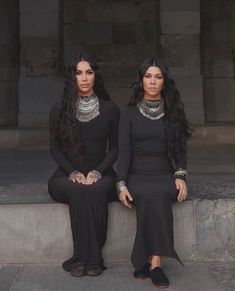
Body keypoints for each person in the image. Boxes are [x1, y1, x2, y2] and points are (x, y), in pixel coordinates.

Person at [116, 57, 192, 288]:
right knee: (147, 193)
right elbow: (124, 151)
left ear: (164, 82)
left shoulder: (174, 112)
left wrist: (180, 176)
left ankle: (154, 263)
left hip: (164, 173)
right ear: (141, 81)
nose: (152, 81)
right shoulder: (128, 114)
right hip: (137, 174)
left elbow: (180, 150)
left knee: (158, 193)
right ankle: (144, 259)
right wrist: (121, 184)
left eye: (158, 77)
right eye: (148, 76)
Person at [48, 54, 120, 277]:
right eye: (79, 73)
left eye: (89, 72)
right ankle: (89, 258)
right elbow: (55, 149)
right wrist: (74, 172)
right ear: (72, 78)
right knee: (80, 190)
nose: (84, 78)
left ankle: (86, 259)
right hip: (66, 174)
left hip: (103, 173)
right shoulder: (59, 109)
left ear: (95, 75)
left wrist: (98, 172)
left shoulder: (110, 109)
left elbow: (116, 149)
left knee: (95, 190)